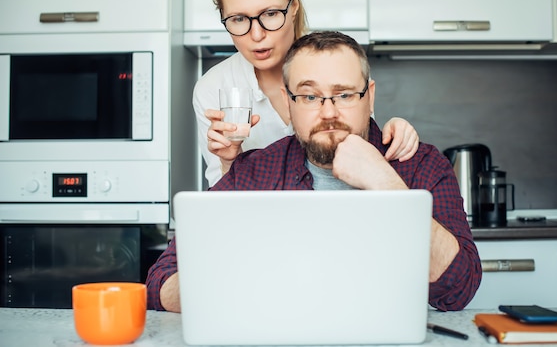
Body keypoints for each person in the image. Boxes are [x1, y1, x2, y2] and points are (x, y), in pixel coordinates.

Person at [148, 31, 482, 312]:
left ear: (370, 96)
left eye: (345, 94)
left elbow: (459, 288)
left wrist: (386, 182)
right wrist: (251, 275)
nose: (328, 112)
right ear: (288, 102)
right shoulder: (252, 173)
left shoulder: (420, 166)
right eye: (309, 96)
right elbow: (160, 284)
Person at [192, 0, 419, 186]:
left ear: (294, 6)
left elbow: (360, 151)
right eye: (238, 19)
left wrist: (391, 132)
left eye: (270, 14)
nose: (256, 35)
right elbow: (223, 204)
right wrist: (230, 161)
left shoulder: (338, 63)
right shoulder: (213, 88)